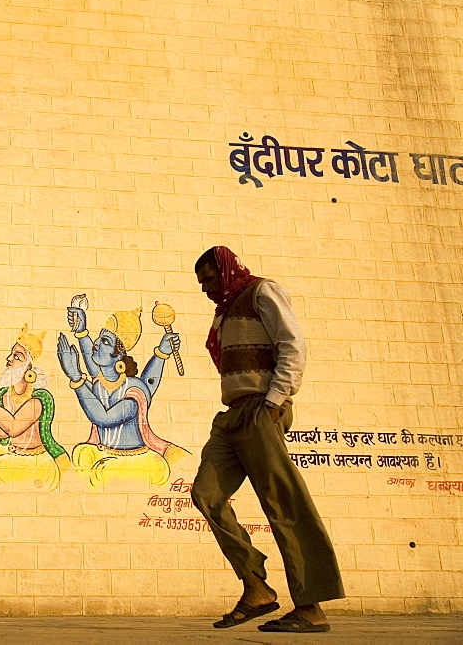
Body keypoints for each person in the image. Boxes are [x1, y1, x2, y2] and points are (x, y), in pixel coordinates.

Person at [191, 246, 343, 633]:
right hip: (232, 416)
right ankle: (256, 588)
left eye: (209, 277)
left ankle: (310, 607)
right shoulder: (223, 313)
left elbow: (292, 343)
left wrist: (276, 400)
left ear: (224, 269)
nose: (205, 287)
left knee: (282, 504)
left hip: (261, 407)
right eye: (201, 281)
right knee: (206, 494)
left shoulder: (261, 291)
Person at [57, 303, 187, 487]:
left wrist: (76, 377)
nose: (96, 343)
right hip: (105, 454)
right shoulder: (100, 383)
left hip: (134, 463)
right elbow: (94, 370)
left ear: (118, 358)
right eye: (99, 338)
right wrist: (81, 330)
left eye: (105, 342)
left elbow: (103, 417)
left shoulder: (133, 391)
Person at [0, 327, 68, 491]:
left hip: (37, 459)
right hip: (13, 451)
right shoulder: (5, 394)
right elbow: (2, 433)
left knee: (0, 466)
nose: (9, 359)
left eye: (17, 356)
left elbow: (13, 428)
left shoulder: (38, 398)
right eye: (11, 354)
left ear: (29, 367)